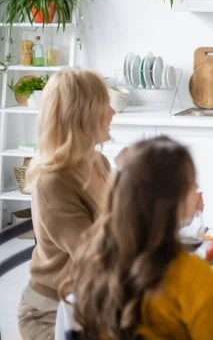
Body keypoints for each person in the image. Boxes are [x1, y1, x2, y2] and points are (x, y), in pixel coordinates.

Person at [61, 136, 213, 339]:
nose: (197, 188)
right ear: (173, 202)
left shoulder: (92, 259)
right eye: (192, 183)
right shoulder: (191, 275)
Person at [18, 71, 115, 340]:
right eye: (105, 104)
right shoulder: (52, 183)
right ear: (83, 114)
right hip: (51, 315)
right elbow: (99, 255)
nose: (113, 112)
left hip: (93, 302)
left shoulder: (98, 163)